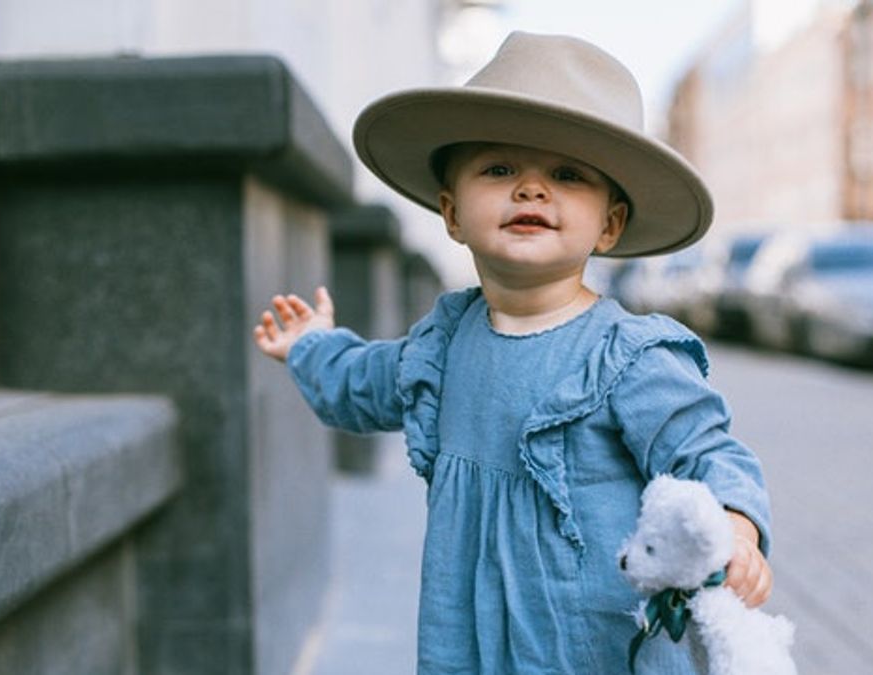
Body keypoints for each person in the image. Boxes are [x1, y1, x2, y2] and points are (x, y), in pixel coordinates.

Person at [254, 31, 773, 674]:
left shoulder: (628, 357)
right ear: (451, 213)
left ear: (609, 224)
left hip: (591, 648)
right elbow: (364, 382)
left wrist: (737, 528)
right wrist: (312, 346)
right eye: (499, 169)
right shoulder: (442, 347)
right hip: (469, 639)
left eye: (567, 175)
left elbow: (707, 450)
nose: (530, 189)